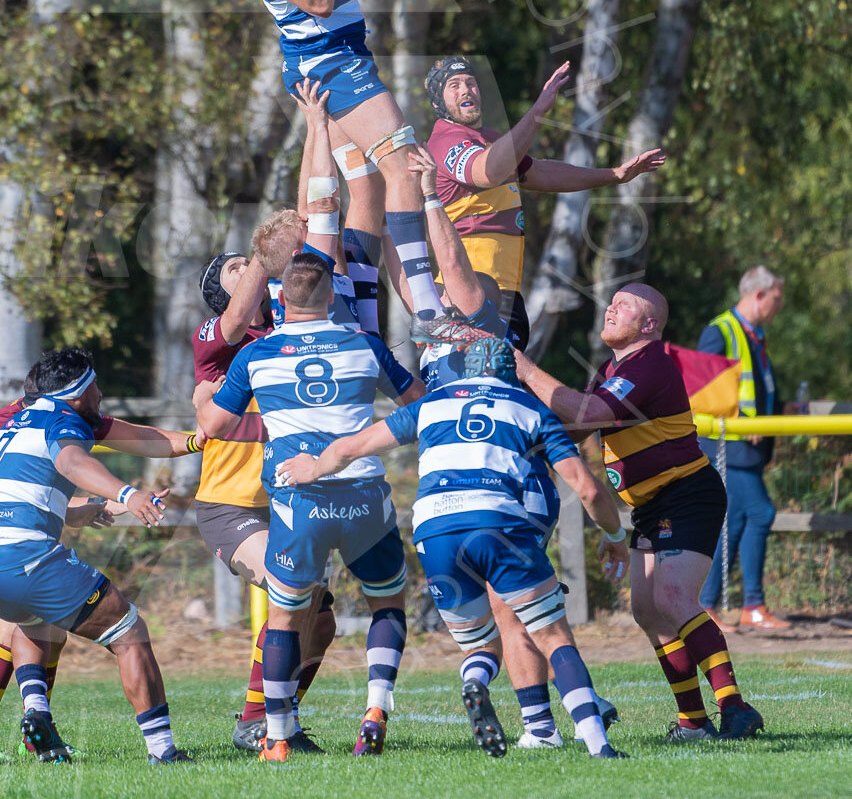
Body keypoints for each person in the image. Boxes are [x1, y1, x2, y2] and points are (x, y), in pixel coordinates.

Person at [275, 338, 629, 760]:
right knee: (553, 636)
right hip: (498, 524)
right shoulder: (531, 409)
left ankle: (476, 681)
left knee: (482, 646)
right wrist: (614, 538)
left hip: (434, 530)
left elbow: (350, 448)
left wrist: (311, 469)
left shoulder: (431, 404)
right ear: (511, 371)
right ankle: (598, 744)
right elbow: (588, 490)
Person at [393, 147, 616, 747]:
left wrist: (390, 182)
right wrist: (428, 192)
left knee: (502, 617)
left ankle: (538, 718)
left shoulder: (443, 338)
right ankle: (560, 721)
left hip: (449, 486)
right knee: (529, 613)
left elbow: (412, 258)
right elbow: (432, 259)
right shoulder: (472, 328)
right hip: (509, 484)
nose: (462, 283)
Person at [226, 0, 474, 343]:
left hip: (339, 54)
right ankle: (427, 308)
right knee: (404, 163)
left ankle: (363, 313)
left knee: (367, 185)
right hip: (329, 61)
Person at [196, 253, 425, 761]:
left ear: (279, 300)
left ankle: (275, 738)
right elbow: (420, 406)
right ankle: (375, 709)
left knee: (284, 618)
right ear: (331, 299)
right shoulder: (366, 346)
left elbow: (212, 425)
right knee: (386, 603)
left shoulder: (255, 358)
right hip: (365, 496)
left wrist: (201, 402)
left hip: (299, 504)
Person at [514, 284, 764, 741]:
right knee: (648, 611)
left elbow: (589, 413)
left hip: (688, 494)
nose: (611, 307)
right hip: (653, 506)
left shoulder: (649, 363)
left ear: (648, 325)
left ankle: (735, 708)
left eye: (623, 305)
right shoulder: (613, 370)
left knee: (672, 599)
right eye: (611, 302)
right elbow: (572, 426)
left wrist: (526, 369)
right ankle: (693, 721)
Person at [0, 348, 196, 764]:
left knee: (36, 621)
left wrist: (197, 441)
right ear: (78, 392)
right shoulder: (64, 420)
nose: (101, 394)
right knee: (128, 631)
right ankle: (163, 751)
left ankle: (37, 715)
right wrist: (128, 493)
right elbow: (71, 462)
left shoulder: (16, 424)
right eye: (96, 386)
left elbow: (139, 438)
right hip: (23, 558)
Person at [0, 364, 131, 761]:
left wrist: (192, 441)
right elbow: (5, 507)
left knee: (52, 628)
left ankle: (38, 734)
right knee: (12, 624)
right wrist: (82, 506)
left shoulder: (48, 416)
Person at [192, 244, 338, 753]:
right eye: (234, 269)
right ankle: (258, 721)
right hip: (228, 507)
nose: (247, 271)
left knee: (321, 620)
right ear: (220, 293)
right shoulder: (218, 342)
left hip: (286, 504)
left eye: (246, 262)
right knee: (287, 587)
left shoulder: (292, 337)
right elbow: (235, 319)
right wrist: (263, 249)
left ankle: (283, 718)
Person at [423, 56, 666, 346]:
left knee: (507, 386)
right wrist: (537, 111)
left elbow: (542, 172)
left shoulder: (488, 138)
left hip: (505, 292)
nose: (466, 90)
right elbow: (487, 171)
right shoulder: (445, 141)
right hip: (470, 292)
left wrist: (614, 174)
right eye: (454, 85)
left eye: (471, 83)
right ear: (438, 103)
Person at [697, 265, 798, 631]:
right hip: (730, 446)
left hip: (750, 448)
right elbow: (703, 390)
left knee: (737, 521)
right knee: (761, 513)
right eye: (776, 298)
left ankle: (706, 606)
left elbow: (758, 385)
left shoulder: (756, 334)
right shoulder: (721, 331)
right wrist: (741, 418)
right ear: (759, 295)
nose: (779, 305)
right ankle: (752, 604)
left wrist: (781, 406)